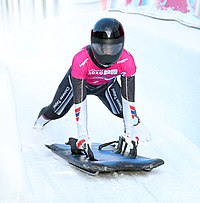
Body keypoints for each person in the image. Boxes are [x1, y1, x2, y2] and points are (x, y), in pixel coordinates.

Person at [34, 18, 148, 160]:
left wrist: (131, 131)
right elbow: (80, 104)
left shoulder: (127, 61)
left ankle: (136, 124)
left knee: (121, 112)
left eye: (113, 48)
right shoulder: (81, 60)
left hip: (106, 86)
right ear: (94, 44)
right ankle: (37, 126)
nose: (108, 53)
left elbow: (128, 100)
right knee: (56, 111)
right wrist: (83, 137)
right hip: (79, 84)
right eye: (103, 48)